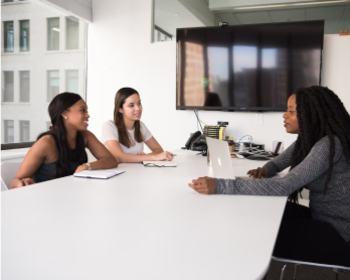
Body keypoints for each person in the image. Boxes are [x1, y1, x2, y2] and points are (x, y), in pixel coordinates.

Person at [189, 86, 350, 264]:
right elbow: (278, 162)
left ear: (312, 114)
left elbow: (285, 185)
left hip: (340, 233)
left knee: (259, 230)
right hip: (321, 217)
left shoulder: (328, 145)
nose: (284, 115)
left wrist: (220, 185)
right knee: (261, 211)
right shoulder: (309, 141)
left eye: (291, 111)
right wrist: (266, 170)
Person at [10, 92, 118, 189]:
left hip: (71, 197)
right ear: (65, 114)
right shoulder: (46, 143)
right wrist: (22, 183)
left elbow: (111, 160)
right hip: (47, 201)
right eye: (82, 110)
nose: (87, 115)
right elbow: (15, 182)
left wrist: (87, 166)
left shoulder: (85, 136)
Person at [102, 87, 173, 163]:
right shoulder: (109, 126)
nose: (138, 108)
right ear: (120, 109)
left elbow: (158, 149)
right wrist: (150, 157)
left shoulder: (140, 126)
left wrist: (145, 157)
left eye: (139, 103)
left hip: (137, 172)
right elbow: (119, 156)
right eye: (131, 105)